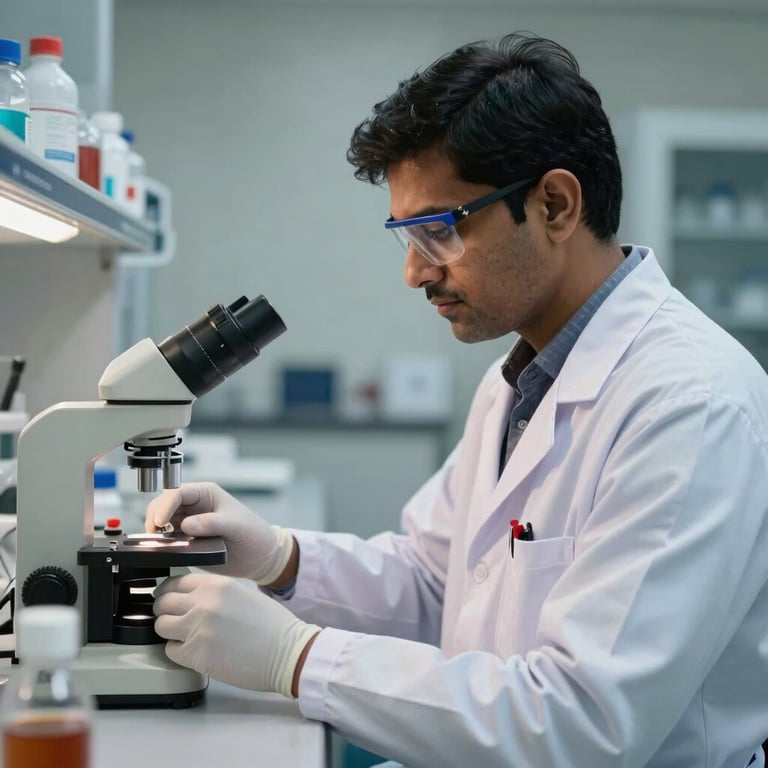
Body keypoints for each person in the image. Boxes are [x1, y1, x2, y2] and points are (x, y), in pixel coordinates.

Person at [148, 32, 768, 767]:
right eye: (406, 237)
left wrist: (299, 657)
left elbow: (583, 723)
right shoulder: (521, 377)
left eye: (438, 232)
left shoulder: (689, 405)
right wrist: (282, 559)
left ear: (555, 205)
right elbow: (437, 584)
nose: (415, 273)